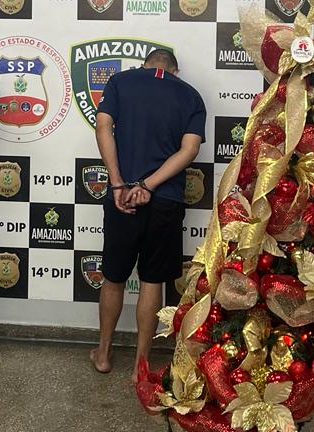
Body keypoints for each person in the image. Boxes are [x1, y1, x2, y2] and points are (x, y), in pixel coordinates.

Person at [90, 48, 206, 382]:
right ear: (175, 71)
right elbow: (190, 149)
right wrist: (149, 184)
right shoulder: (191, 95)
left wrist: (118, 183)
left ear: (144, 65)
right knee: (152, 281)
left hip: (121, 196)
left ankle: (103, 353)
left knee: (113, 278)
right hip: (165, 199)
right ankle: (140, 366)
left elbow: (102, 127)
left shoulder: (120, 82)